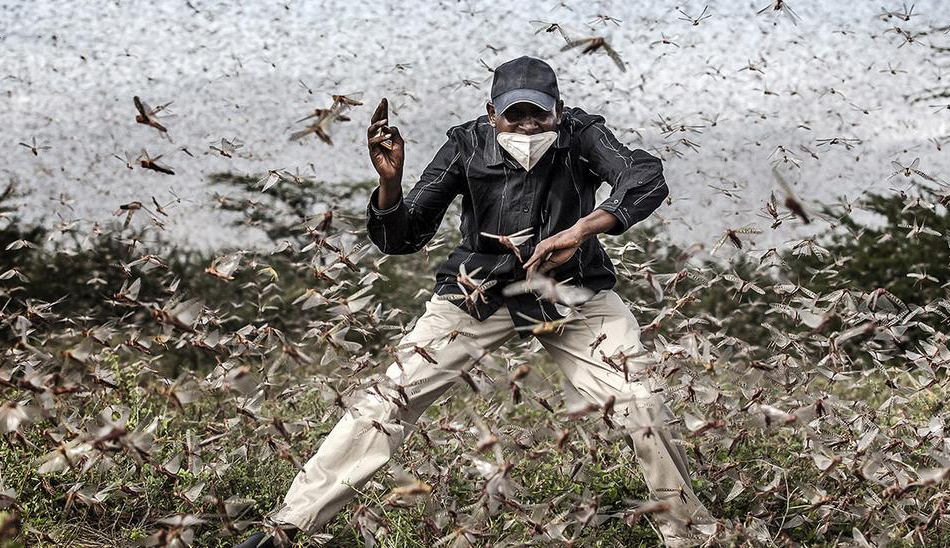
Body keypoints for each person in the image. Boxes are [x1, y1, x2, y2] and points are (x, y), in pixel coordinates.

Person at [236, 55, 717, 548]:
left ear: (559, 110)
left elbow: (645, 175)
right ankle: (288, 527)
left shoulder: (582, 133)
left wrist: (581, 228)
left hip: (573, 290)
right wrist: (390, 183)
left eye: (540, 115)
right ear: (492, 114)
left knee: (639, 400)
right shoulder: (465, 144)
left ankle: (690, 535)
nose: (528, 126)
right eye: (515, 115)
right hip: (476, 293)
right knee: (387, 401)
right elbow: (404, 236)